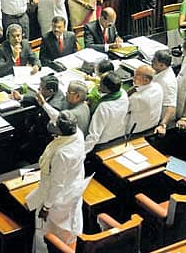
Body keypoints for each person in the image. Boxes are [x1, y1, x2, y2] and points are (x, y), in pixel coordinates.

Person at [28, 110, 86, 253]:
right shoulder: (77, 134)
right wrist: (44, 105)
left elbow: (56, 184)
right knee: (69, 228)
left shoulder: (62, 154)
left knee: (50, 233)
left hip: (57, 199)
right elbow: (59, 117)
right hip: (72, 189)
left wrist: (46, 207)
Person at [85, 72, 129, 152]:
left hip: (102, 142)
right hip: (118, 134)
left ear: (106, 88)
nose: (98, 83)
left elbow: (94, 135)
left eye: (100, 82)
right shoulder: (123, 93)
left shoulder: (104, 107)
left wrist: (81, 154)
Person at [127, 65, 164, 133]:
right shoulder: (158, 87)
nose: (133, 78)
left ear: (146, 80)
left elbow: (124, 109)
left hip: (137, 131)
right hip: (152, 125)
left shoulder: (137, 98)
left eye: (136, 77)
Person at [152, 50, 177, 136]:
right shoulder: (160, 71)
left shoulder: (167, 82)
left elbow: (171, 105)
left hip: (163, 118)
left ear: (162, 65)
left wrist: (163, 124)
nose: (151, 62)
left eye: (154, 61)